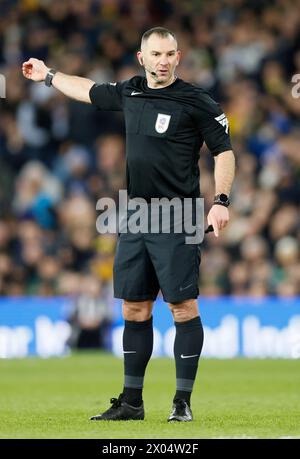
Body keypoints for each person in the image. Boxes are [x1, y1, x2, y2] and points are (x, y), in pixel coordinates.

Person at [22, 27, 235, 422]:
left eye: (170, 54)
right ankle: (132, 403)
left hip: (180, 214)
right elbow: (88, 89)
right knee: (134, 309)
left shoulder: (196, 100)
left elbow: (224, 151)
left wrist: (221, 200)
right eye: (156, 54)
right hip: (136, 214)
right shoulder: (131, 90)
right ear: (142, 57)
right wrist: (49, 76)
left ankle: (182, 401)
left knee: (182, 307)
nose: (163, 61)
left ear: (179, 55)